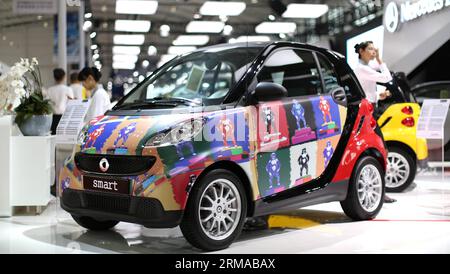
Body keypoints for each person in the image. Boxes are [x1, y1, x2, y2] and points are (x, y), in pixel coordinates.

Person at [354, 41, 396, 204]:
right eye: (370, 49)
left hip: (369, 110)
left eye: (374, 49)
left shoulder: (362, 69)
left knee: (377, 150)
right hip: (366, 113)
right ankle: (379, 190)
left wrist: (379, 95)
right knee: (380, 149)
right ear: (362, 51)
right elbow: (387, 77)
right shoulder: (362, 68)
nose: (373, 51)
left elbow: (365, 91)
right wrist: (380, 59)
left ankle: (378, 189)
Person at [45, 68, 74, 135]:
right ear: (64, 77)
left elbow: (47, 104)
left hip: (53, 118)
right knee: (64, 138)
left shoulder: (50, 90)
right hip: (65, 117)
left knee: (54, 138)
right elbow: (72, 103)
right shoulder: (68, 89)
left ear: (54, 77)